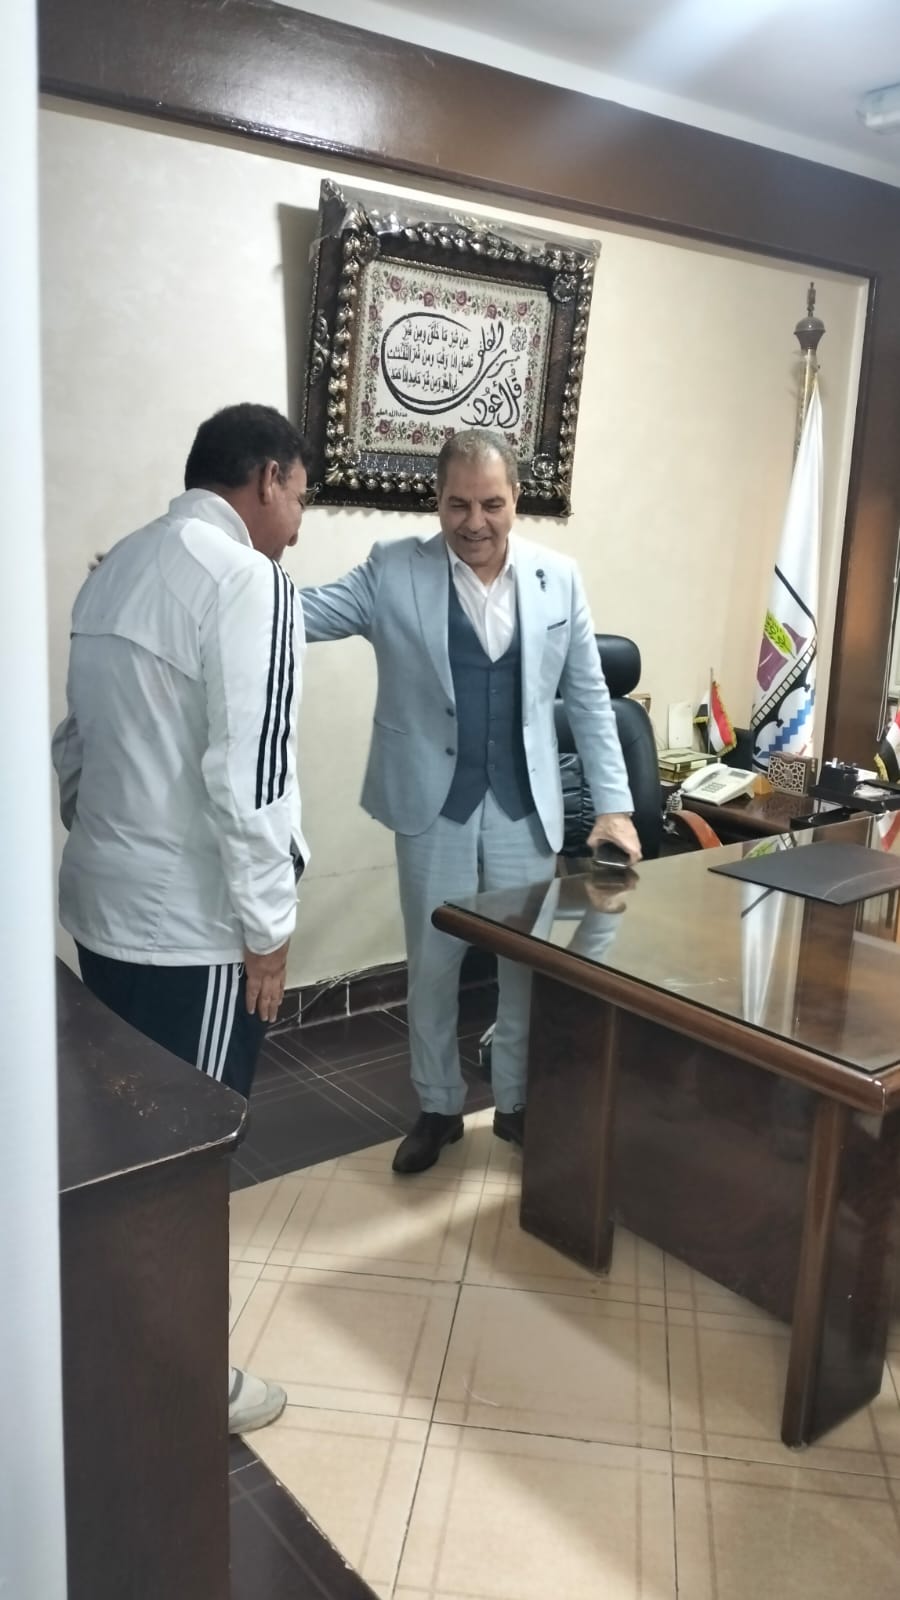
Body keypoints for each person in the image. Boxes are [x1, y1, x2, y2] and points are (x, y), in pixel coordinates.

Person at [52, 402, 311, 1432]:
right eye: (300, 495)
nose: (299, 521)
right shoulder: (248, 579)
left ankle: (113, 1338)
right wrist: (268, 929)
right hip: (194, 932)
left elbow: (76, 742)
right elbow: (252, 775)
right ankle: (184, 1379)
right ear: (267, 478)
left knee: (126, 1143)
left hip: (104, 907)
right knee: (192, 1159)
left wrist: (106, 837)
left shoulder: (118, 565)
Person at [300, 427, 640, 1175]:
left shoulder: (559, 579)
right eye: (458, 505)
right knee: (433, 964)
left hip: (524, 807)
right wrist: (205, 585)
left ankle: (515, 1103)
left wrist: (614, 807)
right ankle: (438, 1107)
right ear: (438, 501)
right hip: (434, 808)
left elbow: (590, 700)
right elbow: (298, 612)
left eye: (491, 504)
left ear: (516, 499)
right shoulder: (394, 569)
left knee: (525, 964)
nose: (474, 522)